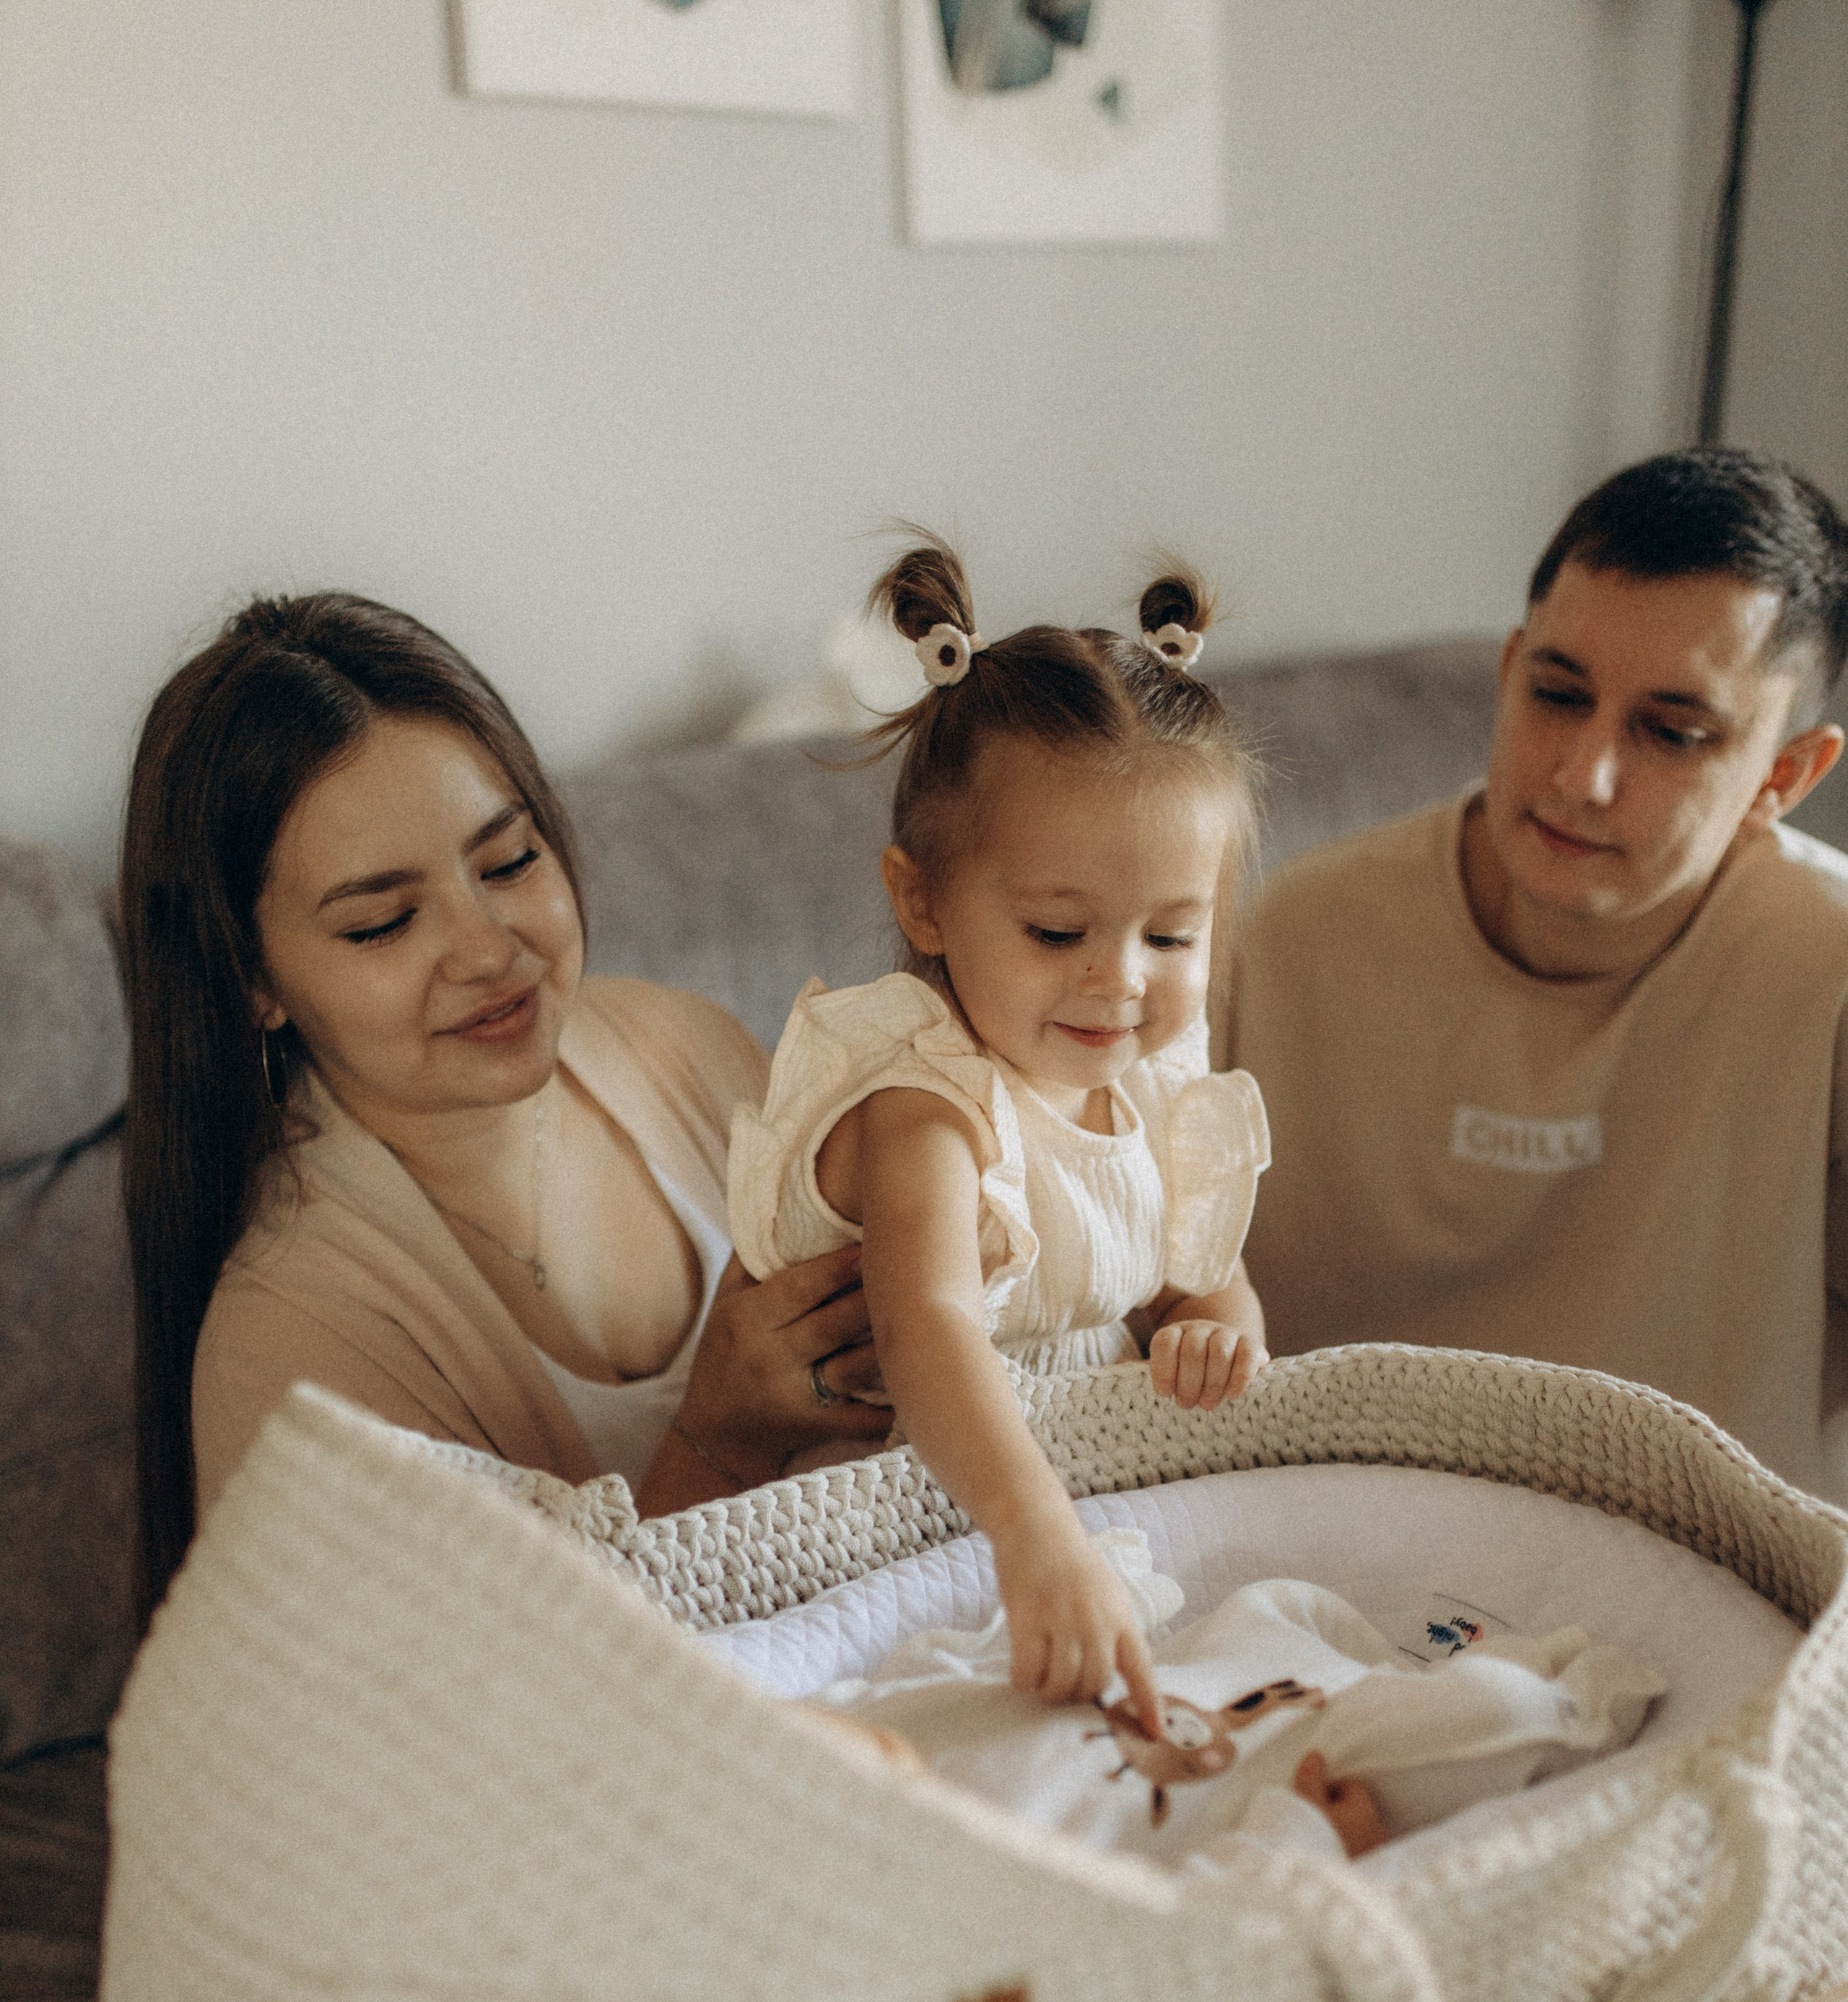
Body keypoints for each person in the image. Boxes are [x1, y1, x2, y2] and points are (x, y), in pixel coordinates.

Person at [121, 592, 891, 1622]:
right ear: (251, 981)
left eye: (510, 861)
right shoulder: (290, 1344)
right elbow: (466, 1734)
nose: (490, 950)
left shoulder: (689, 1048)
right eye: (383, 923)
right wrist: (718, 1443)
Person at [1223, 447, 1848, 1500]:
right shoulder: (1288, 931)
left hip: (1706, 1581)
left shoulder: (1824, 969)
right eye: (1558, 695)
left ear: (1783, 777)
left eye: (1672, 733)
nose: (1583, 775)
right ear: (1510, 670)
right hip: (1306, 1538)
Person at [728, 539, 1273, 1735]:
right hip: (892, 1532)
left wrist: (1213, 1341)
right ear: (921, 900)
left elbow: (1210, 1288)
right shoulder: (922, 1104)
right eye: (1059, 931)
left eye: (1170, 937)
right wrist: (1039, 1538)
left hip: (1078, 1514)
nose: (1120, 983)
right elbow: (930, 1326)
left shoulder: (1158, 1089)